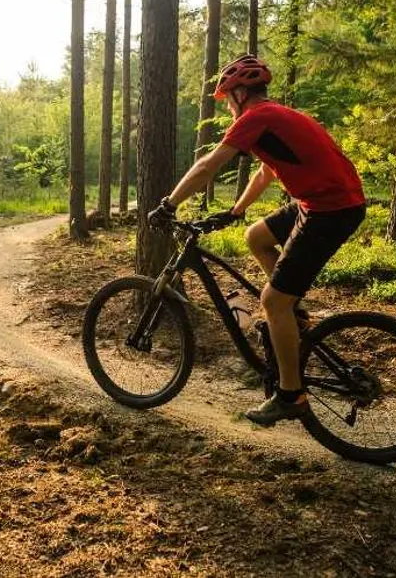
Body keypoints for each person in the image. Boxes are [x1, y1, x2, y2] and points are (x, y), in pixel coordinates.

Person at [147, 54, 366, 426]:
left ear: (240, 93)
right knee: (256, 236)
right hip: (323, 202)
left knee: (272, 301)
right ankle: (294, 314)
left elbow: (207, 165)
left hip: (330, 209)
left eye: (228, 98)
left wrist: (169, 204)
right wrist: (237, 210)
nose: (228, 106)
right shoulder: (276, 117)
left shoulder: (256, 117)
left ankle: (290, 395)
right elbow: (267, 172)